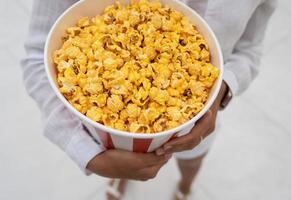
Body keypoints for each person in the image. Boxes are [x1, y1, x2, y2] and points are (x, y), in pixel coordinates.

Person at [21, 0, 277, 199]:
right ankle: (121, 176)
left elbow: (249, 51)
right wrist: (88, 153)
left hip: (200, 118)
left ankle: (184, 188)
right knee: (126, 159)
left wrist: (224, 87)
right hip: (114, 132)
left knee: (194, 158)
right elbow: (37, 57)